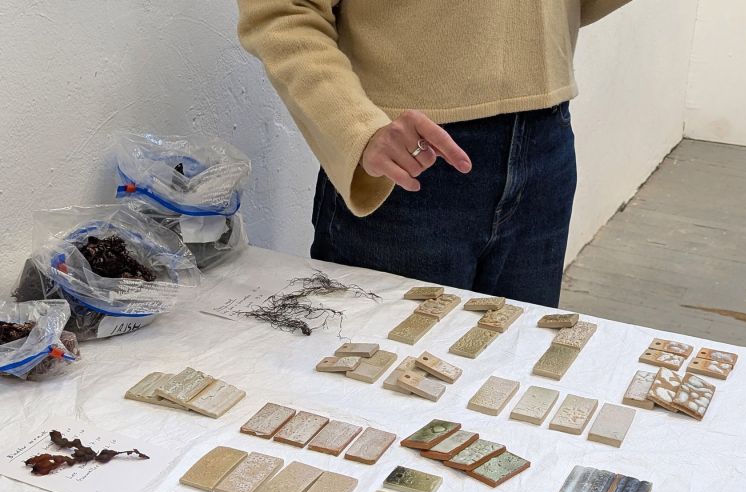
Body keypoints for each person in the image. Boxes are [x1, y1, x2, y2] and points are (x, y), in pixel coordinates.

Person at [237, 1, 631, 307]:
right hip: (411, 162)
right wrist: (357, 128)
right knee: (378, 374)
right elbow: (281, 11)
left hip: (545, 143)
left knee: (516, 367)